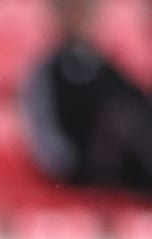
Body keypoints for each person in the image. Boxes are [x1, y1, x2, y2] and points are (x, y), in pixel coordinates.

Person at [21, 0, 152, 197]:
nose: (78, 17)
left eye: (83, 9)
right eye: (72, 9)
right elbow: (49, 146)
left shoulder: (107, 68)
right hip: (83, 171)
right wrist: (75, 168)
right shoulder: (46, 72)